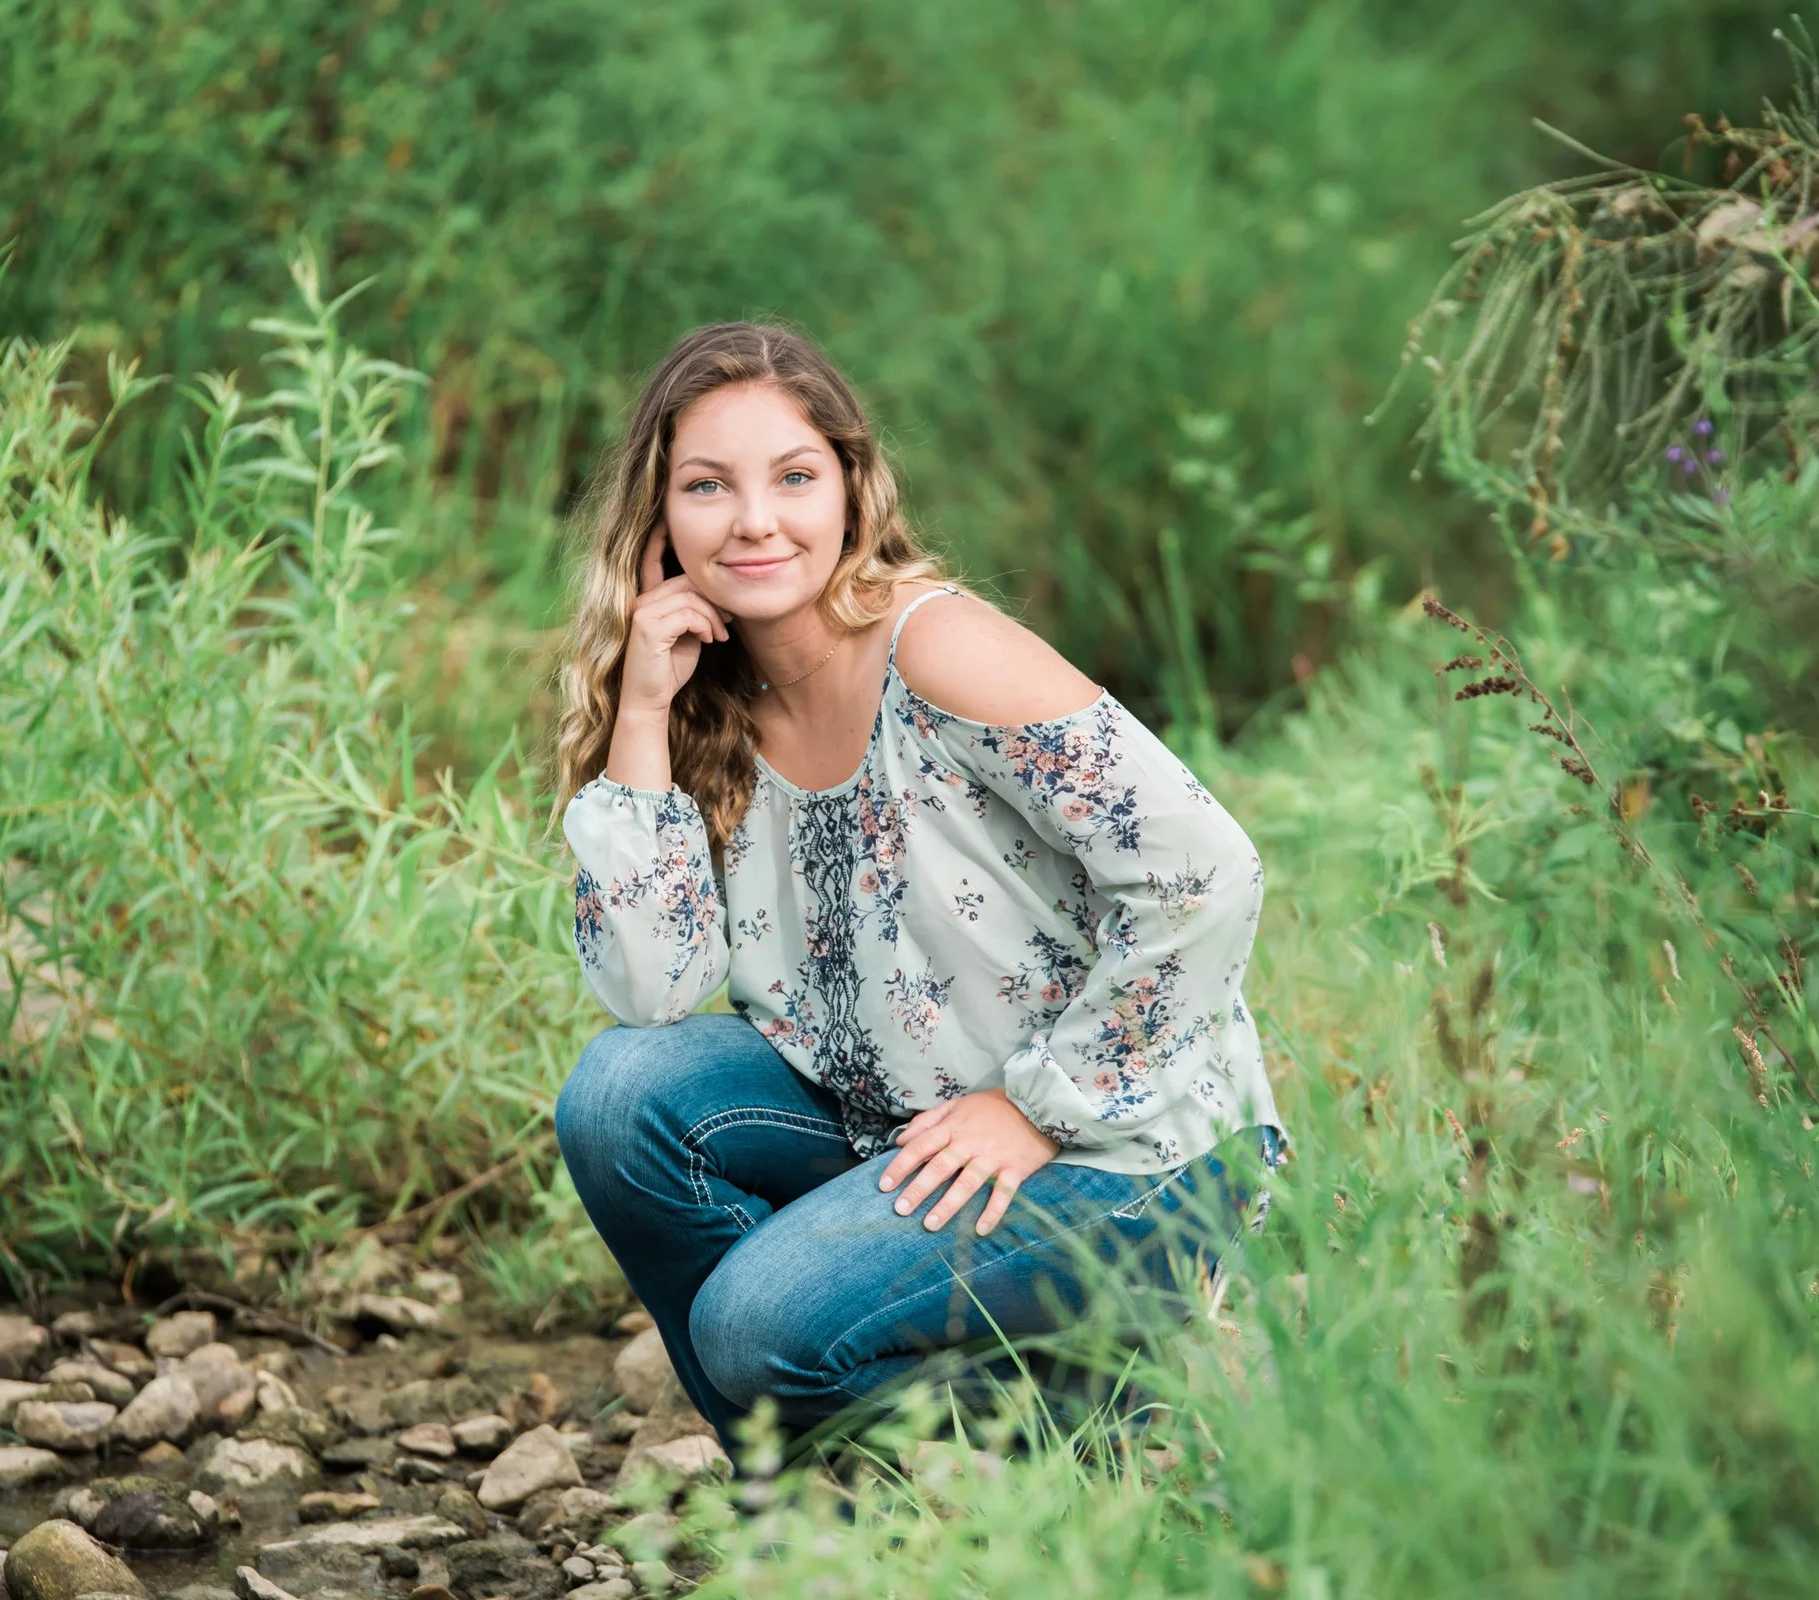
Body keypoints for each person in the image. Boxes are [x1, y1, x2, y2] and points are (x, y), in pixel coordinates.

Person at [549, 321, 1285, 1454]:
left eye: (794, 477)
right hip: (902, 1127)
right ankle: (821, 1507)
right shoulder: (708, 703)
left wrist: (1036, 1104)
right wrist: (642, 711)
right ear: (657, 524)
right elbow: (654, 990)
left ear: (849, 486)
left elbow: (1206, 871)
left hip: (1134, 1154)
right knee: (621, 1096)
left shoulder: (938, 652)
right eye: (708, 486)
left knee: (754, 1326)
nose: (755, 520)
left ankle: (1116, 1420)